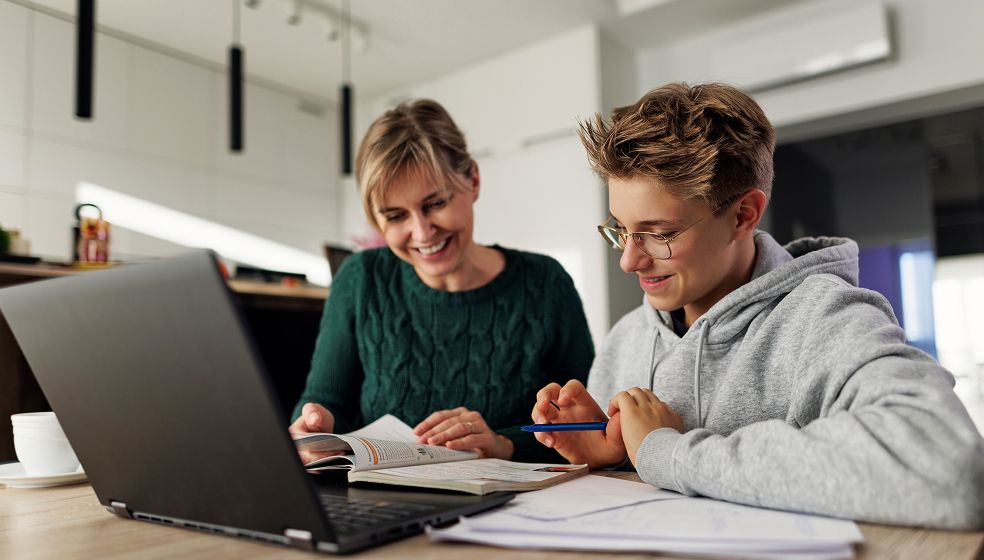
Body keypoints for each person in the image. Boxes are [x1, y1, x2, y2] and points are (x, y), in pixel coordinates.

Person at [531, 82, 984, 529]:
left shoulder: (826, 319)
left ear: (744, 215)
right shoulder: (625, 339)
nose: (630, 260)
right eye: (620, 230)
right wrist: (612, 457)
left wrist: (665, 451)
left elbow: (950, 467)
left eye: (660, 234)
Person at [290, 99, 594, 462]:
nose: (421, 232)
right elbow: (325, 401)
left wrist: (502, 445)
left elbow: (587, 426)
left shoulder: (546, 284)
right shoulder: (360, 279)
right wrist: (310, 427)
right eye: (396, 215)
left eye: (435, 203)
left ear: (473, 181)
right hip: (385, 506)